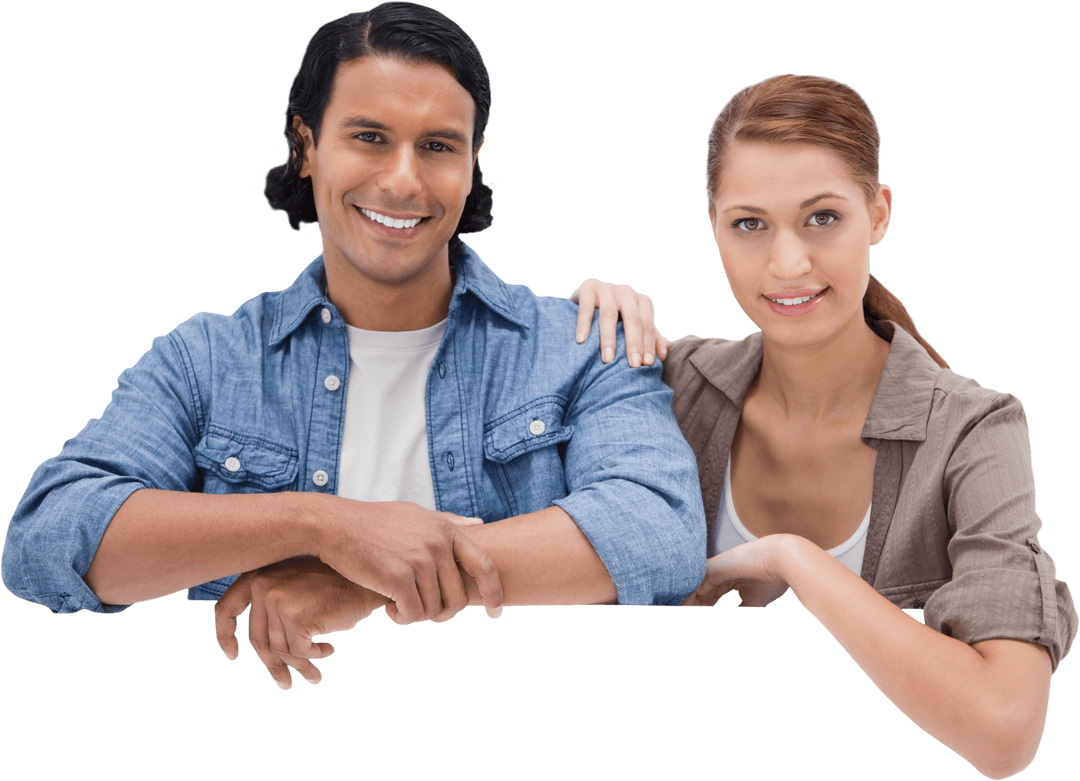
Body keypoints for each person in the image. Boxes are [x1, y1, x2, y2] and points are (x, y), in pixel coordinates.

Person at [1, 2, 705, 691]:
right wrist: (325, 527)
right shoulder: (207, 362)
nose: (402, 179)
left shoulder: (582, 347)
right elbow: (47, 539)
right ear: (306, 145)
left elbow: (661, 534)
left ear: (472, 161)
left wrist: (367, 582)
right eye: (369, 136)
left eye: (438, 146)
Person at [572, 74, 1077, 779]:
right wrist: (570, 334)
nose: (788, 263)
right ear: (713, 224)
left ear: (878, 213)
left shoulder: (973, 430)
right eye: (750, 224)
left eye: (822, 217)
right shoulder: (668, 384)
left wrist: (795, 562)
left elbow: (1005, 733)